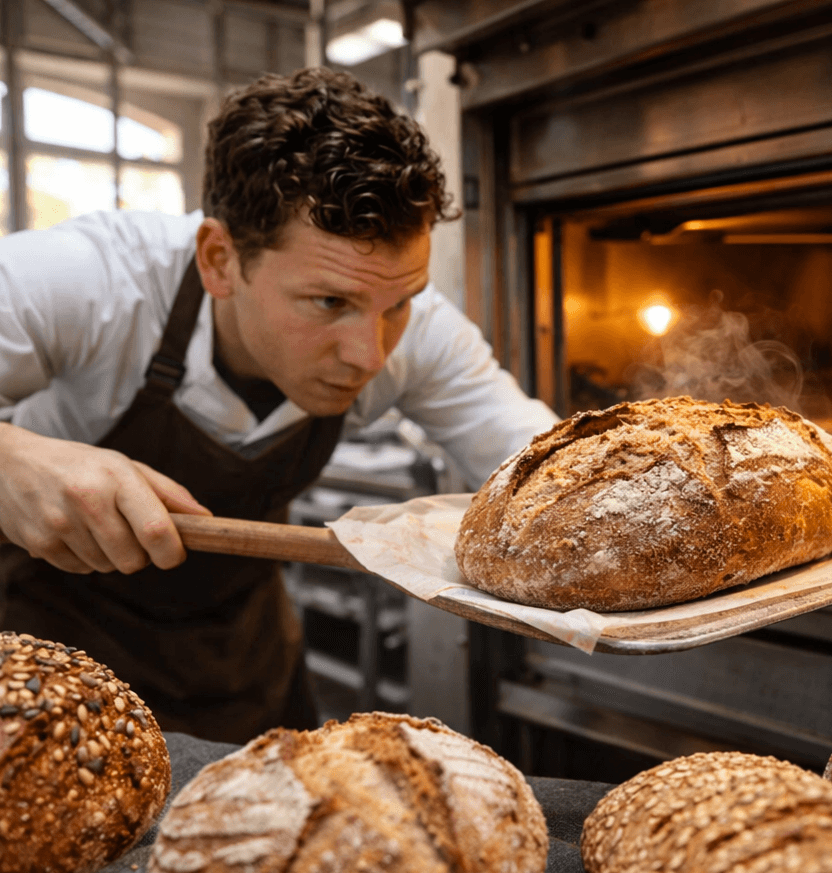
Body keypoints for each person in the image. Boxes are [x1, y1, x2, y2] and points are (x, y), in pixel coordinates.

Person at [0, 67, 557, 743]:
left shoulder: (408, 324)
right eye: (329, 304)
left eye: (400, 303)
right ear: (218, 260)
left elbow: (549, 474)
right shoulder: (90, 280)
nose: (371, 354)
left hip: (244, 662)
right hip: (46, 668)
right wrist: (9, 457)